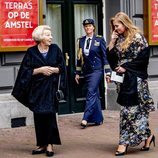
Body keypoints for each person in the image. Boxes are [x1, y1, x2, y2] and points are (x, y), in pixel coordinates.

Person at [12, 25, 66, 157]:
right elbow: (25, 71)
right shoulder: (31, 52)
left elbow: (62, 67)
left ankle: (50, 145)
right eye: (48, 35)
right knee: (39, 116)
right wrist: (40, 70)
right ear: (40, 37)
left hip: (51, 89)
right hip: (37, 90)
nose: (51, 37)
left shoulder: (55, 49)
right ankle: (41, 144)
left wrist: (54, 70)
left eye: (50, 34)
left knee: (50, 115)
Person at [106, 12, 155, 156]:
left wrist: (126, 67)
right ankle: (148, 137)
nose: (116, 29)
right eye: (114, 27)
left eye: (117, 26)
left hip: (136, 81)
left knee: (130, 113)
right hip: (123, 81)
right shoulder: (118, 38)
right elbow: (112, 60)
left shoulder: (137, 37)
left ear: (124, 23)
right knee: (135, 113)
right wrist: (112, 42)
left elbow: (143, 60)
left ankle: (123, 143)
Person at [75, 19, 111, 128]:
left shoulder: (99, 40)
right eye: (85, 26)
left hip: (97, 70)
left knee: (90, 92)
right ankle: (98, 119)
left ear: (93, 27)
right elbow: (79, 58)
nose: (87, 28)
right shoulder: (80, 41)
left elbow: (105, 57)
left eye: (90, 26)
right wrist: (77, 72)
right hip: (87, 71)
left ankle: (85, 118)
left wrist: (107, 72)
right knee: (94, 94)